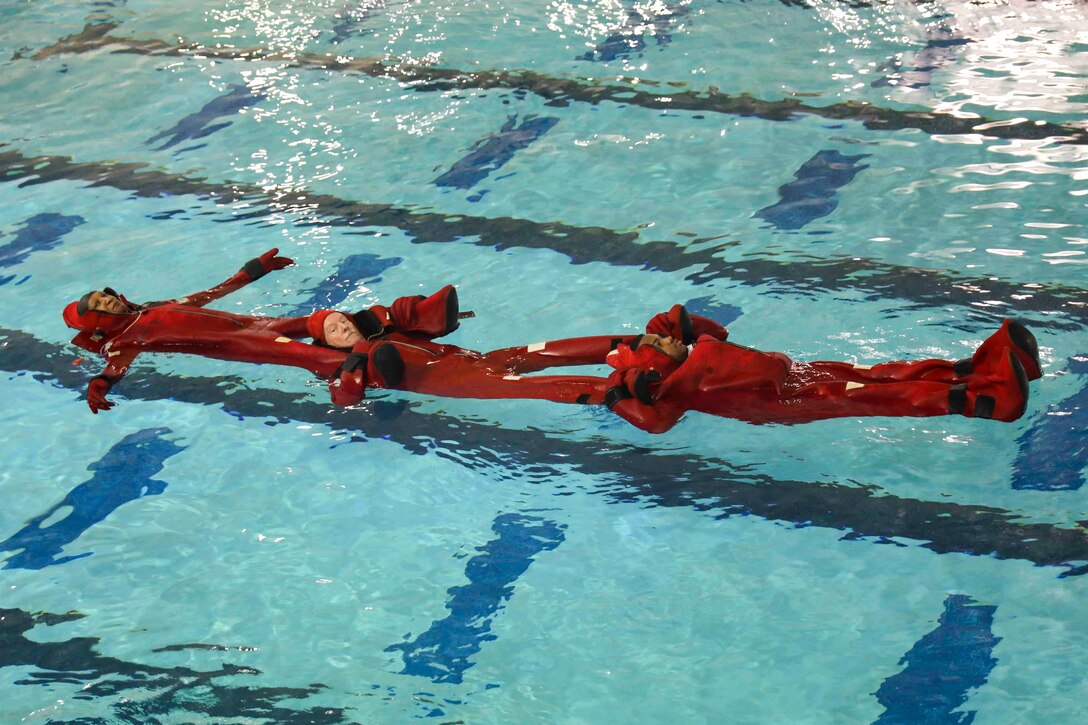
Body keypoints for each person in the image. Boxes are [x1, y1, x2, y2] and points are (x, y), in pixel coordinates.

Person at [62, 249, 423, 412]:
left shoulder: (154, 307)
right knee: (304, 353)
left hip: (255, 324)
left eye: (104, 297)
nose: (108, 302)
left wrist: (251, 273)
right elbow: (116, 366)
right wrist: (99, 385)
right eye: (99, 306)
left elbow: (207, 295)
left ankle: (403, 320)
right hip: (242, 344)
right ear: (97, 323)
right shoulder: (126, 339)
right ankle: (357, 380)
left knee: (327, 318)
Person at [601, 305, 1041, 433]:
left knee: (884, 373)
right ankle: (985, 401)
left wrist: (680, 326)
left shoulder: (697, 351)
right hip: (783, 401)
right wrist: (620, 393)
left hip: (797, 374)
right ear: (655, 369)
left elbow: (715, 330)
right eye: (660, 343)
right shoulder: (678, 387)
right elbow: (654, 423)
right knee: (873, 395)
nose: (667, 338)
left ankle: (979, 368)